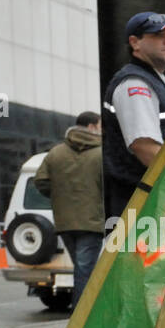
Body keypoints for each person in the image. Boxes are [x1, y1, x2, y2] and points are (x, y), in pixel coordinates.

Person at [102, 11, 165, 220]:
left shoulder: (154, 83)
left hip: (153, 208)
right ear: (135, 43)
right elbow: (145, 147)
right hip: (144, 210)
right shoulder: (135, 84)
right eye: (157, 35)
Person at [34, 111, 104, 304]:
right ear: (91, 127)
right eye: (100, 125)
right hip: (92, 222)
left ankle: (82, 314)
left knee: (81, 268)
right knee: (85, 271)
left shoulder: (56, 153)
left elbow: (40, 180)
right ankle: (81, 316)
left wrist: (59, 196)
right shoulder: (101, 154)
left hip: (65, 222)